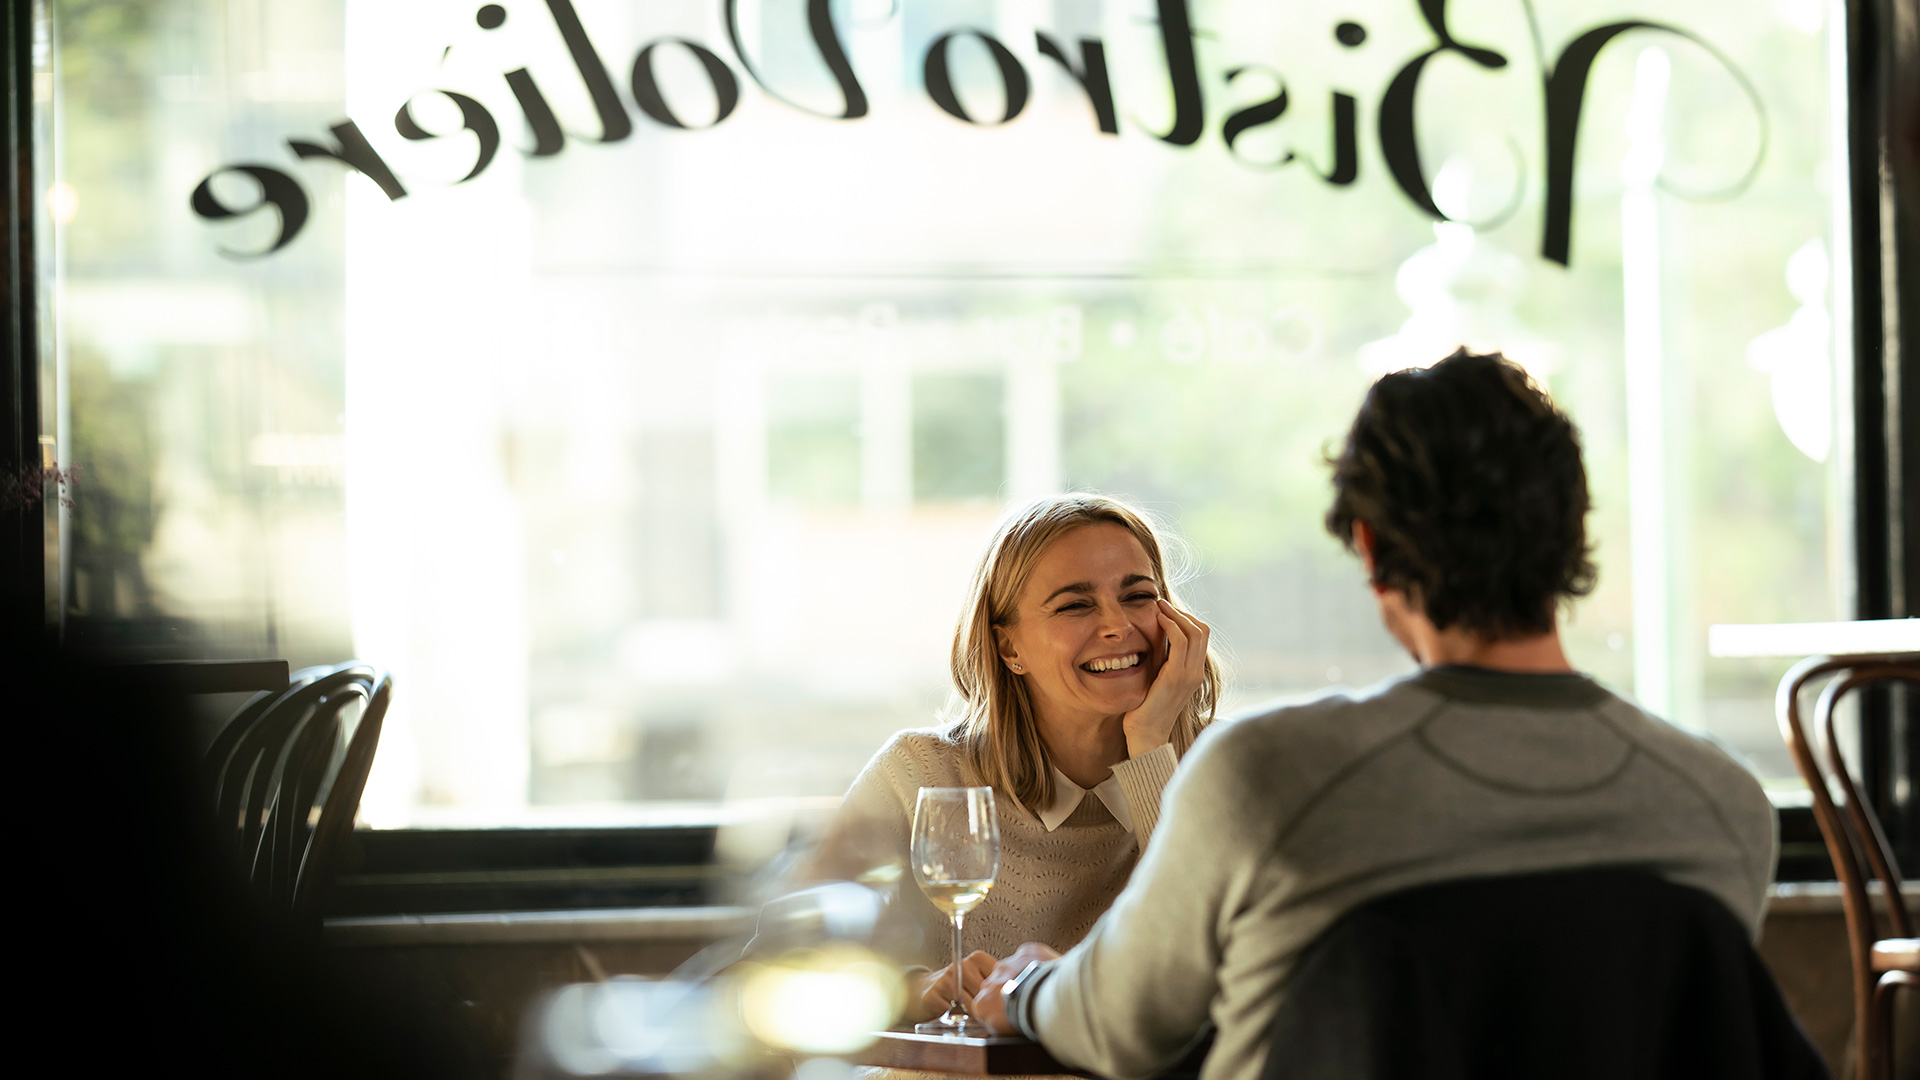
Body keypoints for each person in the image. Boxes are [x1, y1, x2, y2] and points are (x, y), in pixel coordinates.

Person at [969, 350, 1777, 1080]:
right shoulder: (1722, 805)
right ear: (1575, 528)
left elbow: (1121, 1030)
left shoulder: (1269, 775)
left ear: (1371, 546)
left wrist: (1027, 983)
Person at [800, 493, 1222, 1023]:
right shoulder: (919, 774)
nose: (1117, 625)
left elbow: (1204, 963)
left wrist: (1151, 746)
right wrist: (910, 992)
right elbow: (780, 966)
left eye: (1138, 596)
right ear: (1009, 648)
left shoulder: (1221, 768)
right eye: (1075, 605)